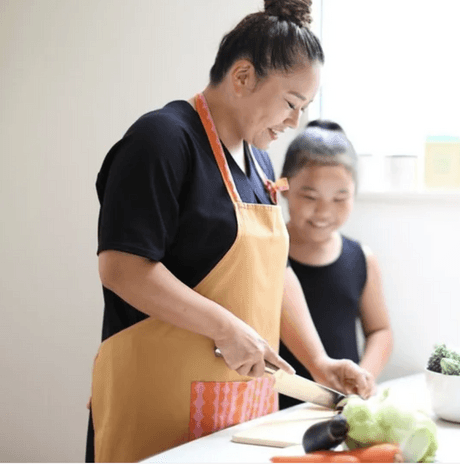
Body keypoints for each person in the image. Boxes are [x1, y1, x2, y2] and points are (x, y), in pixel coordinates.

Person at [87, 1, 372, 462]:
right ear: (242, 77)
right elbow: (123, 267)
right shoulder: (162, 140)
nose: (294, 122)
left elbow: (272, 273)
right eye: (291, 103)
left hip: (239, 410)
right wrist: (224, 327)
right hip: (155, 403)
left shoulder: (258, 160)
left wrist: (318, 363)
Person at [277, 120, 394, 409]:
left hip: (338, 408)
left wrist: (364, 375)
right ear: (282, 188)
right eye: (309, 196)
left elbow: (380, 330)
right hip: (273, 407)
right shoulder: (269, 253)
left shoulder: (361, 258)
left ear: (354, 193)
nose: (324, 211)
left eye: (340, 198)